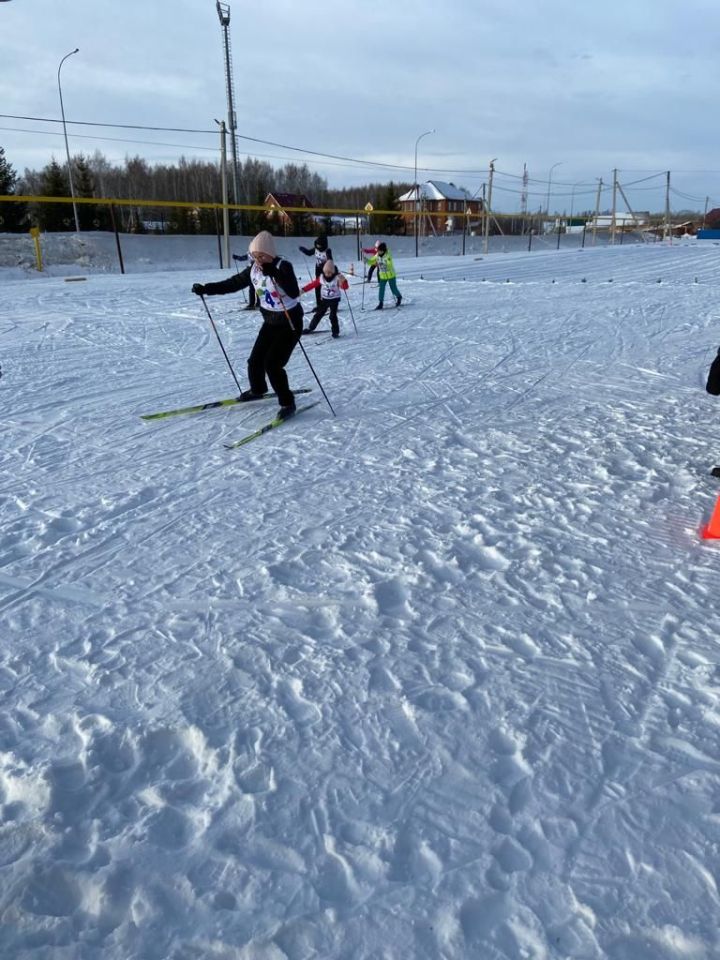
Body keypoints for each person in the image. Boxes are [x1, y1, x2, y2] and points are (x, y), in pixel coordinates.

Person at [192, 231, 303, 420]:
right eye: (255, 256)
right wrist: (206, 288)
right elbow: (232, 284)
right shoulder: (253, 269)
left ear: (271, 254)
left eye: (262, 256)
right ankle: (258, 389)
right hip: (270, 321)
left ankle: (287, 402)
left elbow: (293, 292)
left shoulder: (283, 266)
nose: (258, 260)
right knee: (255, 361)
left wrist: (275, 273)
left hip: (289, 322)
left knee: (273, 364)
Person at [301, 260, 349, 338]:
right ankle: (311, 328)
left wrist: (344, 281)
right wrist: (303, 290)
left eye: (329, 273)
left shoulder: (337, 278)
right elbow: (312, 285)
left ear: (333, 272)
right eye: (326, 272)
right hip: (325, 300)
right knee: (318, 314)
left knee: (332, 316)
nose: (327, 274)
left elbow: (345, 288)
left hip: (334, 300)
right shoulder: (321, 278)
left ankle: (335, 332)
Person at [298, 235, 333, 311]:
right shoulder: (316, 249)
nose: (318, 246)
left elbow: (330, 261)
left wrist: (324, 265)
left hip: (326, 270)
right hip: (318, 269)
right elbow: (309, 253)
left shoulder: (327, 250)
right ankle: (319, 305)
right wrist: (303, 249)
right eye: (317, 245)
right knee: (317, 286)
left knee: (327, 286)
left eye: (319, 245)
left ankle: (331, 304)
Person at [364, 241, 402, 310]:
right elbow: (372, 261)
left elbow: (390, 264)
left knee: (393, 289)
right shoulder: (377, 255)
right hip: (382, 276)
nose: (378, 252)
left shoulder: (388, 255)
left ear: (383, 251)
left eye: (380, 251)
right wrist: (367, 261)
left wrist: (384, 264)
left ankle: (399, 297)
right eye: (378, 251)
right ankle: (380, 303)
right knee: (381, 289)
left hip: (390, 275)